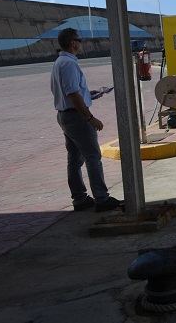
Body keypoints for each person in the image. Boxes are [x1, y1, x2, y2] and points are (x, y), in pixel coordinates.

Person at [50, 28, 122, 212]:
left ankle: (80, 199)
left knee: (74, 159)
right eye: (79, 40)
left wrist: (89, 94)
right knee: (93, 156)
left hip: (66, 115)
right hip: (76, 117)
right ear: (73, 43)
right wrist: (90, 117)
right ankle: (101, 198)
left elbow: (71, 92)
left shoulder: (60, 62)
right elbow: (72, 94)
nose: (81, 43)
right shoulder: (69, 64)